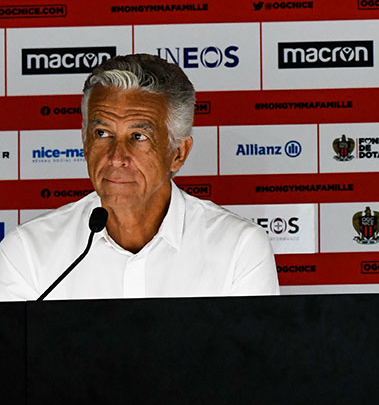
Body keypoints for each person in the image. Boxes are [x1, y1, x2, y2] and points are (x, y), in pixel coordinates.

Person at [0, 54, 279, 300]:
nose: (116, 156)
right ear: (84, 144)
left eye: (138, 136)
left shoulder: (238, 249)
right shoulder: (27, 252)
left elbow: (251, 359)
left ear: (178, 154)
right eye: (102, 133)